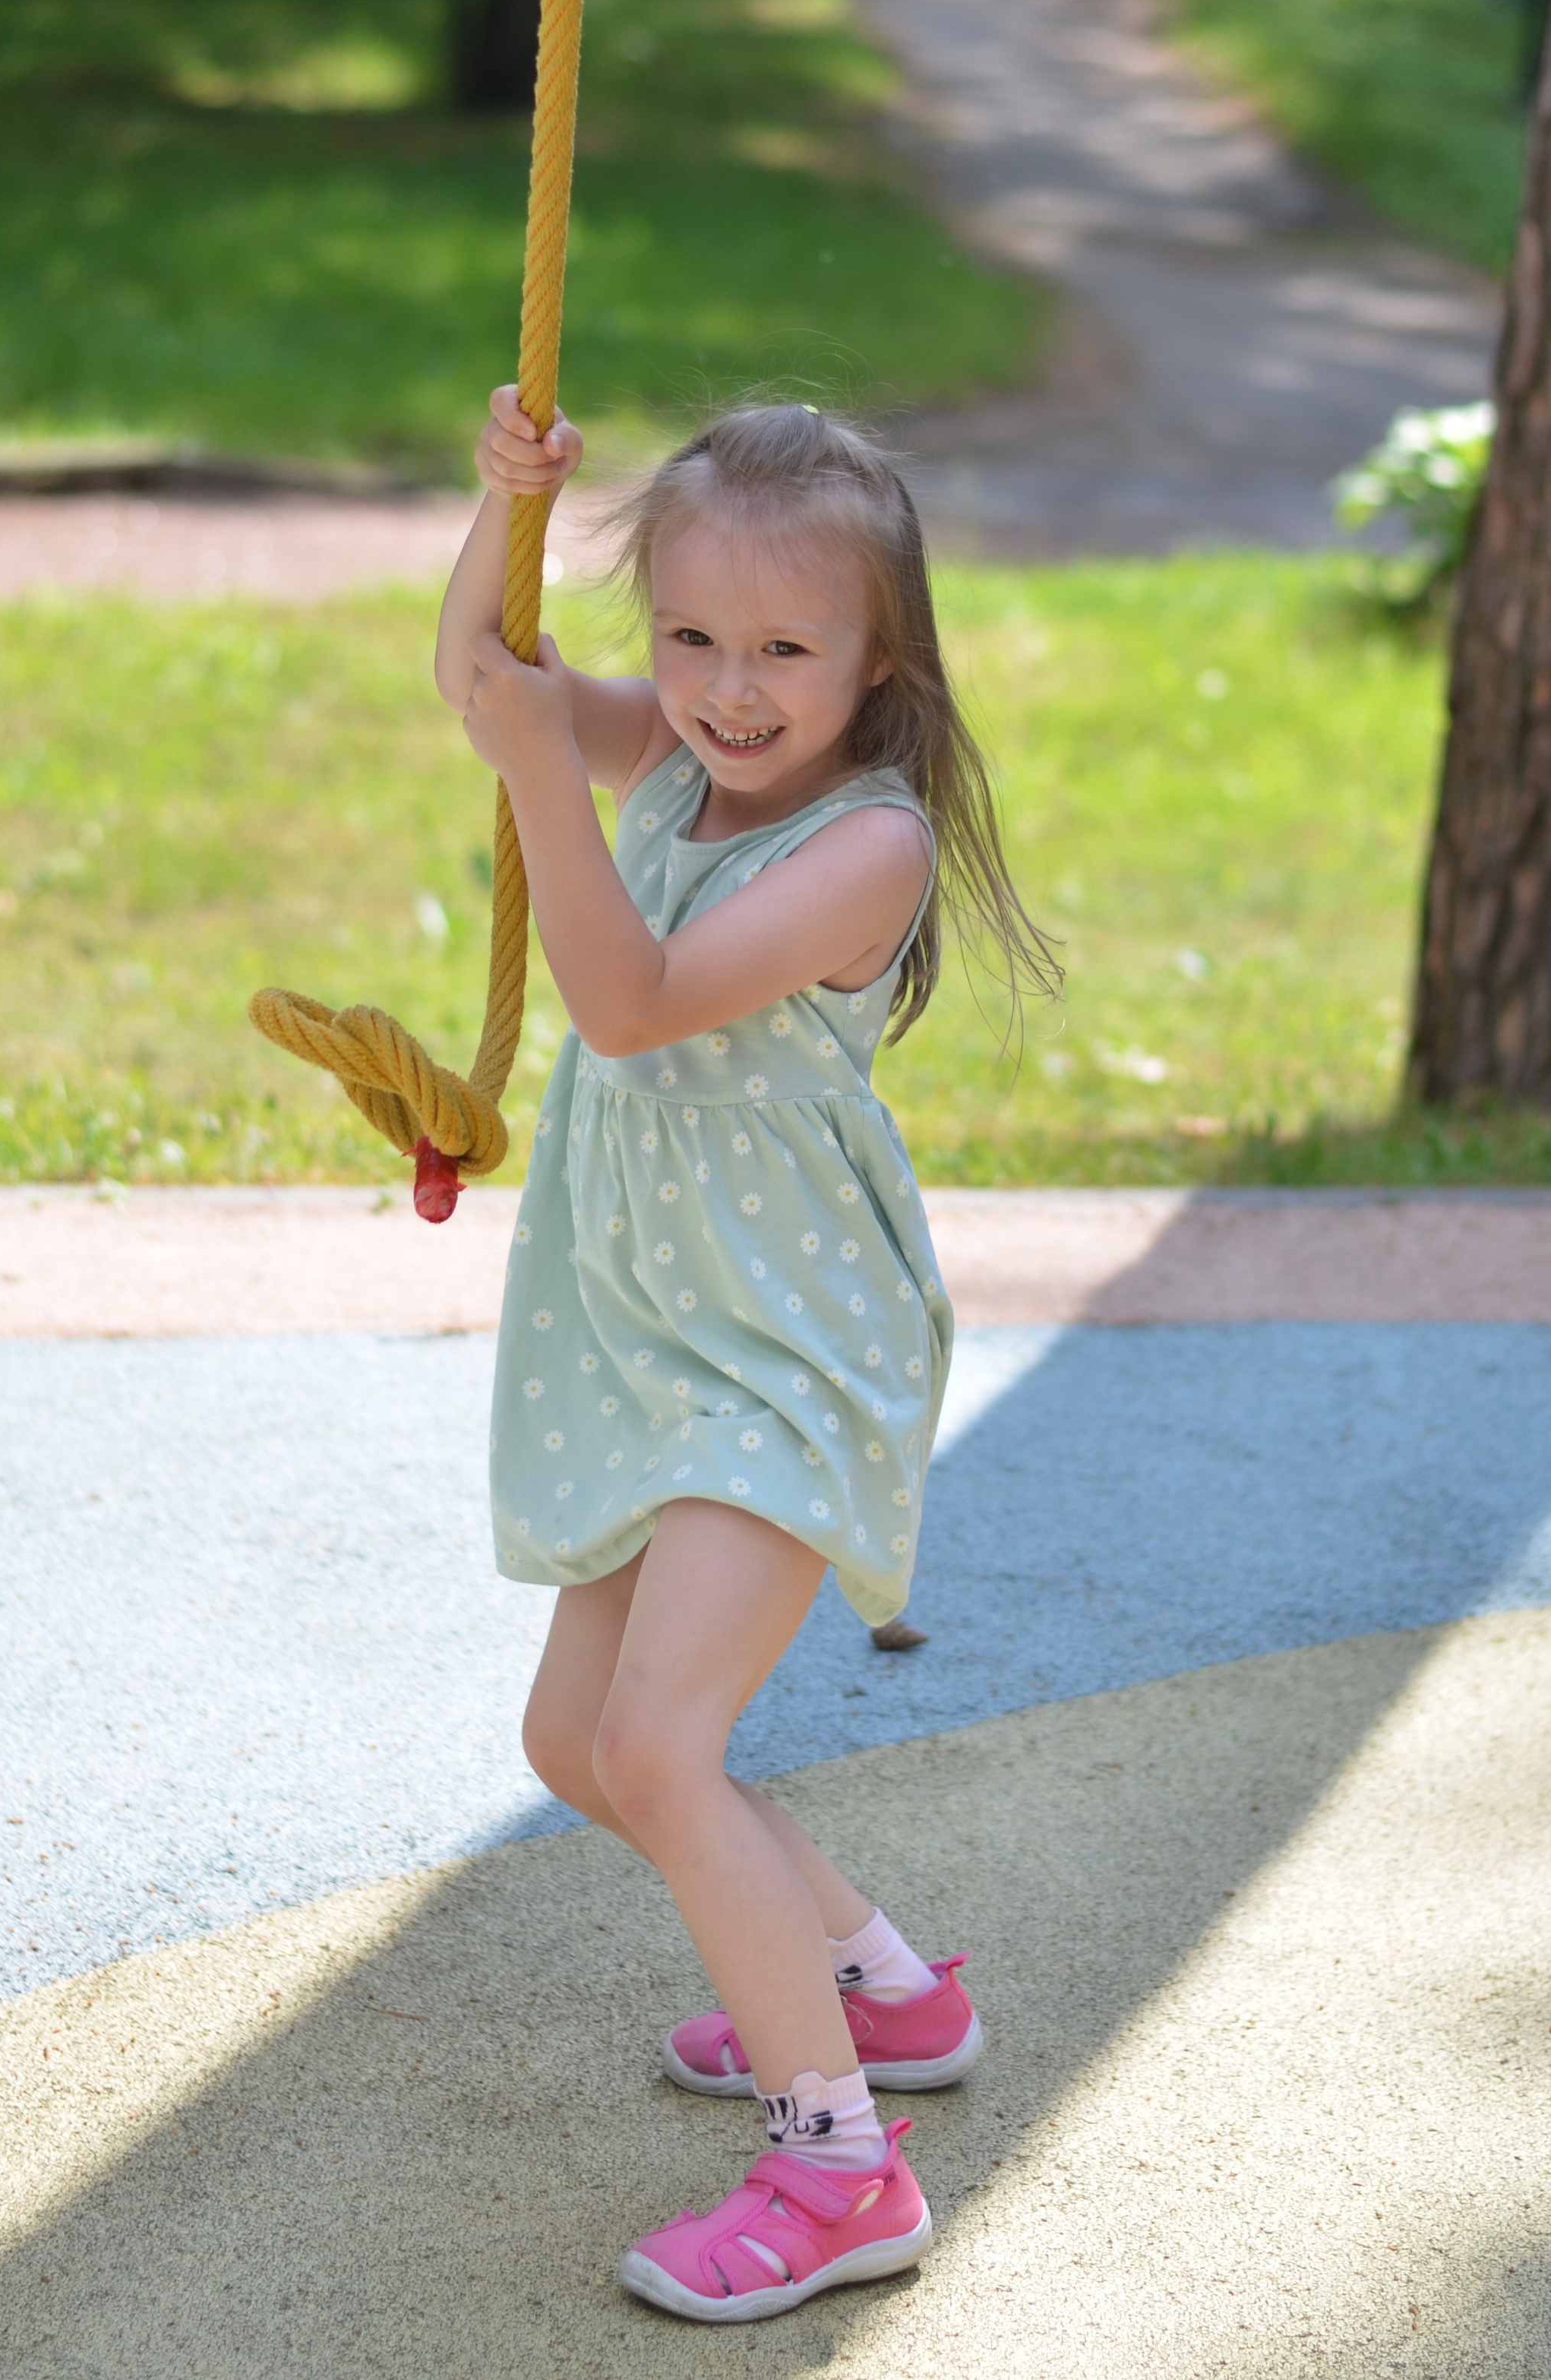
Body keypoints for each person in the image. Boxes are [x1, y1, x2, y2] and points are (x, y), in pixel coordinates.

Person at [435, 389, 1059, 2322]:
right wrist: (501, 506)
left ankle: (838, 2168)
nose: (723, 687)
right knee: (576, 1742)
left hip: (783, 1356)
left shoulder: (860, 848)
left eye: (784, 648)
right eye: (688, 638)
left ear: (881, 668)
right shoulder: (672, 755)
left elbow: (618, 1001)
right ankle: (881, 1987)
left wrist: (550, 757)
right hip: (655, 1332)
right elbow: (486, 674)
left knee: (654, 1742)